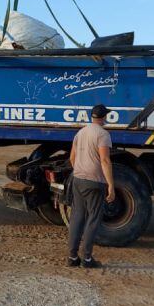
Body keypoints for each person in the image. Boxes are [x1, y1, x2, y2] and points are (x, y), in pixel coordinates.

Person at [67, 103, 115, 269]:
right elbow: (105, 160)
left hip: (78, 179)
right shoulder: (103, 134)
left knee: (77, 217)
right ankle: (87, 259)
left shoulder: (80, 133)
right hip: (95, 181)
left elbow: (72, 158)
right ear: (104, 117)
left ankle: (72, 257)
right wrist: (111, 185)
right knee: (93, 218)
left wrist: (80, 171)